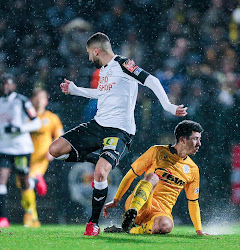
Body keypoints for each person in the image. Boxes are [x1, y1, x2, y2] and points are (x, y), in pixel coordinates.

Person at [48, 32, 187, 236]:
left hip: (119, 130)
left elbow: (152, 80)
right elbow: (102, 94)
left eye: (89, 53)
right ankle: (97, 158)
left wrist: (168, 106)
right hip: (97, 125)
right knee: (55, 149)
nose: (89, 58)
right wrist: (76, 90)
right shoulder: (105, 71)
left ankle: (93, 223)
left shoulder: (124, 64)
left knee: (101, 173)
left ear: (96, 50)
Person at [103, 120, 208, 236]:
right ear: (183, 140)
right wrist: (116, 199)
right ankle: (131, 214)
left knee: (166, 226)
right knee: (153, 177)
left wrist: (199, 230)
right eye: (195, 139)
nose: (199, 143)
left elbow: (193, 201)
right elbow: (131, 175)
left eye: (199, 139)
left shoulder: (193, 169)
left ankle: (128, 230)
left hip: (160, 213)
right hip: (140, 202)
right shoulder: (157, 151)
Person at [0, 74, 41, 228]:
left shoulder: (22, 101)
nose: (5, 87)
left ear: (13, 86)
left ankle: (33, 182)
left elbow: (36, 122)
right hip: (3, 148)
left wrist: (20, 128)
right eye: (2, 84)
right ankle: (3, 218)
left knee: (23, 182)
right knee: (1, 181)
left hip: (21, 149)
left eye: (7, 84)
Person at [20, 88, 64, 227]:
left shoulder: (51, 118)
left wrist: (53, 152)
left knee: (28, 182)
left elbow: (59, 136)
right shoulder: (25, 116)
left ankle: (31, 217)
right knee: (24, 187)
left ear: (46, 100)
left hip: (40, 158)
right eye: (37, 98)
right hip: (24, 156)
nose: (39, 101)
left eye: (42, 98)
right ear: (32, 100)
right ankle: (31, 215)